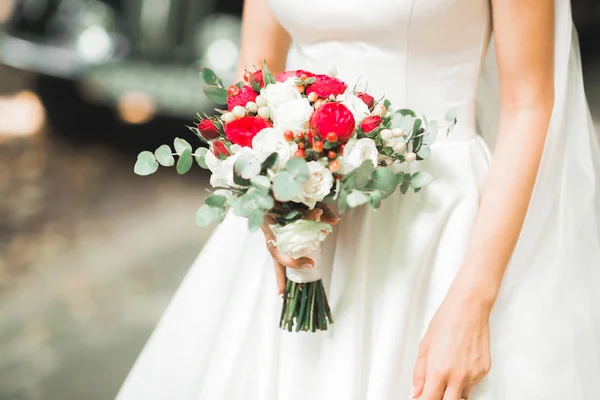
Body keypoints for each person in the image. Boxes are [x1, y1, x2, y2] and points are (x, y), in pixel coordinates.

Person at [117, 0, 600, 399]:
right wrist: (269, 199)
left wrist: (473, 303)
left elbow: (531, 105)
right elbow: (253, 82)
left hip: (437, 231)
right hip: (302, 213)